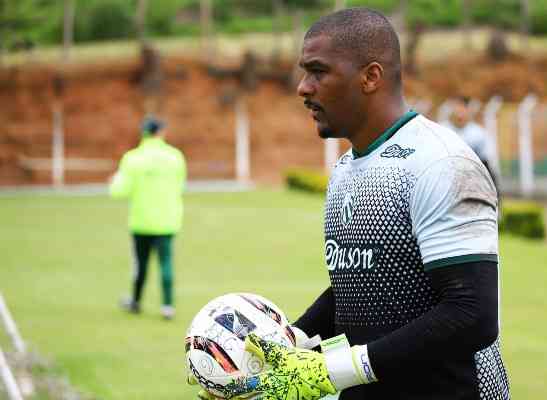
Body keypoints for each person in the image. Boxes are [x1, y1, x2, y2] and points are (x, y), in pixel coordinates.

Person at [190, 7, 509, 400]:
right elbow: (362, 286)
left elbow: (472, 314)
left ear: (370, 76)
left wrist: (331, 370)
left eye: (318, 71)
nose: (303, 87)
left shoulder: (441, 163)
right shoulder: (346, 169)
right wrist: (285, 345)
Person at [110, 116, 186, 320]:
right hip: (167, 220)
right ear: (160, 132)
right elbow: (181, 186)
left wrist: (115, 180)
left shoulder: (132, 158)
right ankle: (167, 306)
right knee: (166, 263)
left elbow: (119, 190)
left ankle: (135, 301)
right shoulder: (175, 156)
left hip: (141, 220)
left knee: (140, 265)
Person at [447, 96, 500, 193]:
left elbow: (486, 162)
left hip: (472, 180)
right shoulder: (444, 130)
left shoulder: (478, 134)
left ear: (468, 110)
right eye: (457, 108)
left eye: (463, 109)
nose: (460, 113)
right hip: (448, 177)